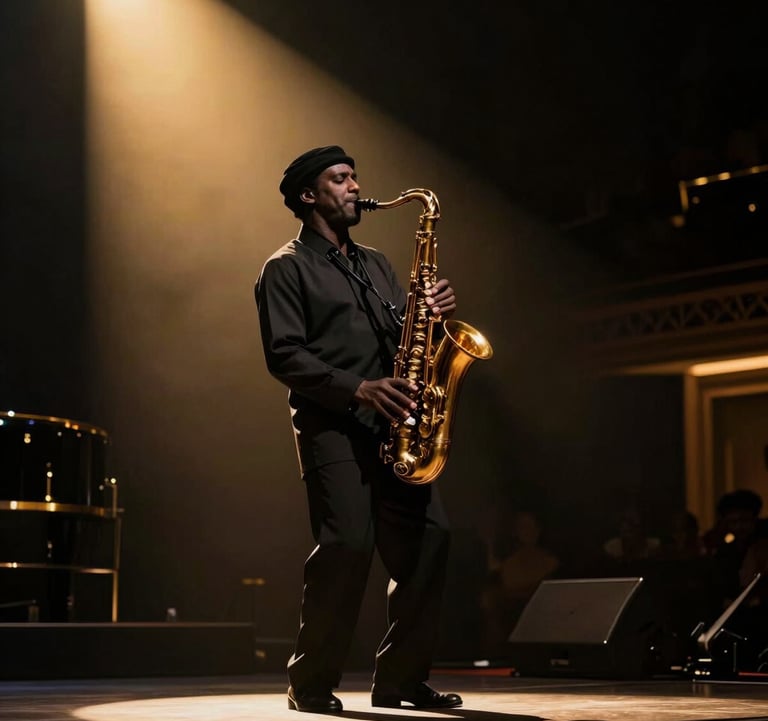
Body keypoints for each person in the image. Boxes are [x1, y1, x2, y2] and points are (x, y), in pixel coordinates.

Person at [255, 145, 462, 713]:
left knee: (431, 541)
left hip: (394, 424)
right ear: (308, 195)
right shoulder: (286, 267)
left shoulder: (376, 264)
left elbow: (406, 342)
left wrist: (430, 316)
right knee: (346, 546)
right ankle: (311, 683)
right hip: (331, 427)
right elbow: (284, 356)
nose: (354, 187)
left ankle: (400, 681)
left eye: (354, 177)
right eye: (339, 179)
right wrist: (358, 388)